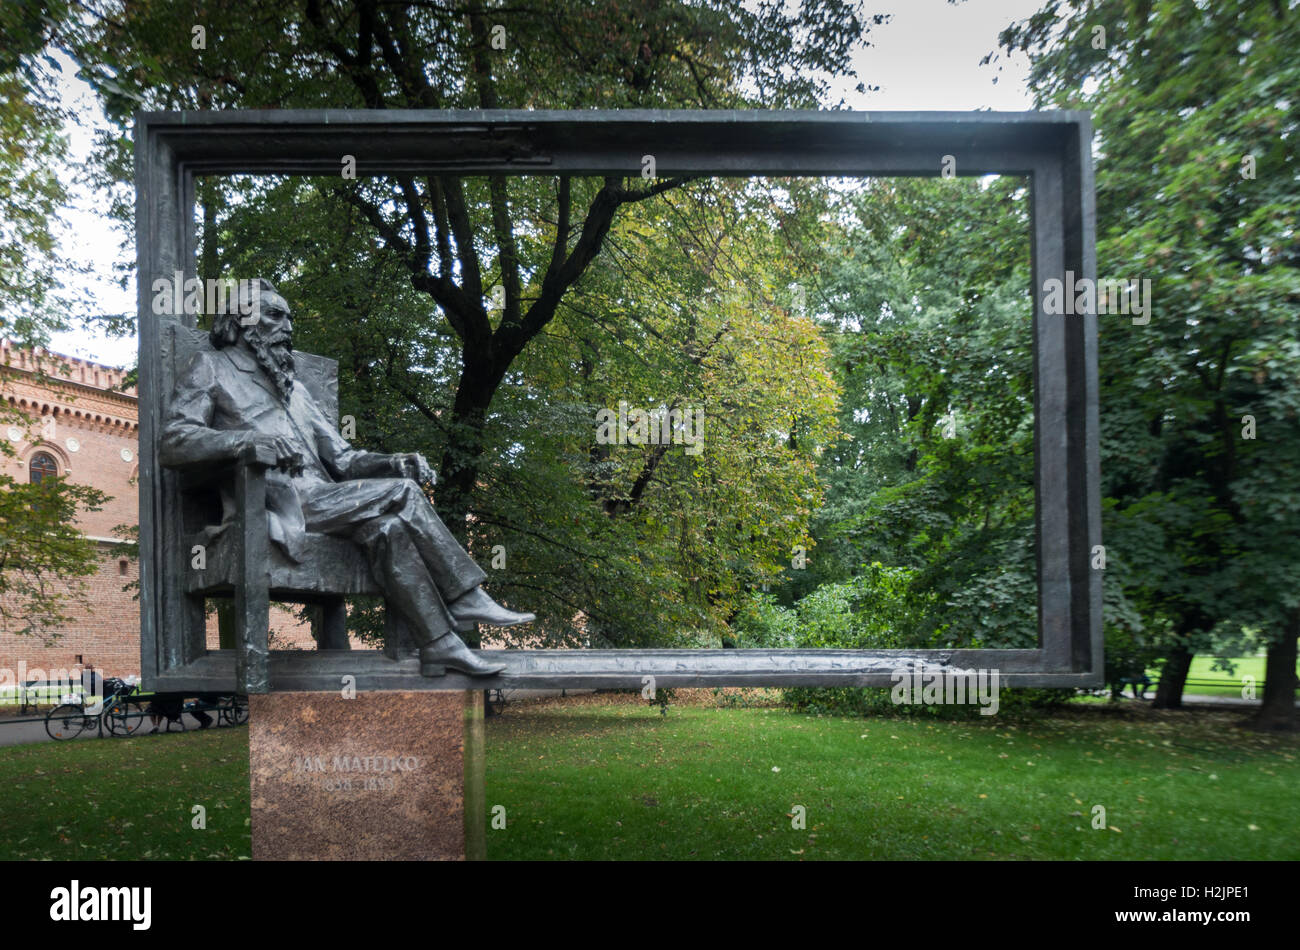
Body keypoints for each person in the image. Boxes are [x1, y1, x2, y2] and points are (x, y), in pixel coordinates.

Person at [160, 279, 531, 676]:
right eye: (274, 315)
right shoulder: (212, 368)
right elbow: (174, 440)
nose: (287, 325)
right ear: (242, 320)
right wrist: (247, 441)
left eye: (289, 317)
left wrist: (394, 461)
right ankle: (464, 594)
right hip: (274, 502)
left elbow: (344, 458)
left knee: (388, 528)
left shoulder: (295, 391)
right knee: (403, 495)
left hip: (325, 499)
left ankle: (439, 645)